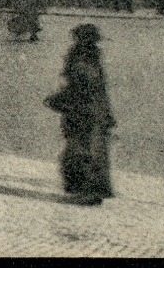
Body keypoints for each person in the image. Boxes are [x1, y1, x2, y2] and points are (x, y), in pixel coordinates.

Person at [45, 24, 114, 204]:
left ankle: (86, 189)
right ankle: (88, 188)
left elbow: (80, 87)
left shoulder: (79, 58)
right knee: (89, 149)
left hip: (82, 110)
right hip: (90, 110)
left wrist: (59, 99)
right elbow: (95, 88)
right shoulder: (90, 58)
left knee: (82, 148)